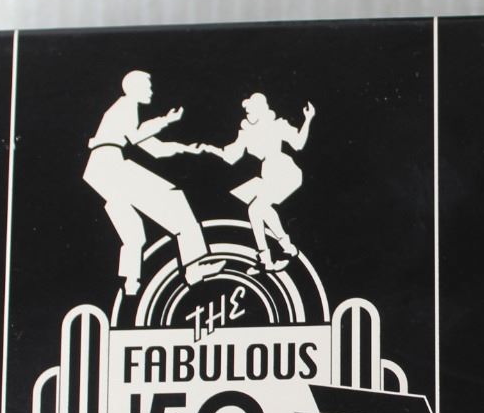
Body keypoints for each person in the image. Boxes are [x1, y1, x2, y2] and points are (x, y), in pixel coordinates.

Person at [82, 70, 222, 295]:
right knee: (174, 201)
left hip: (99, 170)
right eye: (147, 87)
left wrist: (187, 149)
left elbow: (155, 149)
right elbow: (136, 136)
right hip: (111, 165)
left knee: (134, 234)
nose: (151, 91)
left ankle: (131, 286)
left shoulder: (122, 114)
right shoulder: (126, 105)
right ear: (132, 88)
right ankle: (194, 267)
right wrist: (166, 120)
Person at [207, 92, 316, 272]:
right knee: (257, 208)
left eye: (251, 109)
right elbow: (231, 156)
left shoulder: (276, 125)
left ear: (261, 110)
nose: (248, 113)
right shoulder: (246, 132)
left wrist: (308, 118)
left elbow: (298, 143)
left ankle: (267, 257)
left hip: (285, 172)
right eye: (247, 111)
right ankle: (285, 249)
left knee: (256, 209)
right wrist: (210, 149)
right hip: (267, 175)